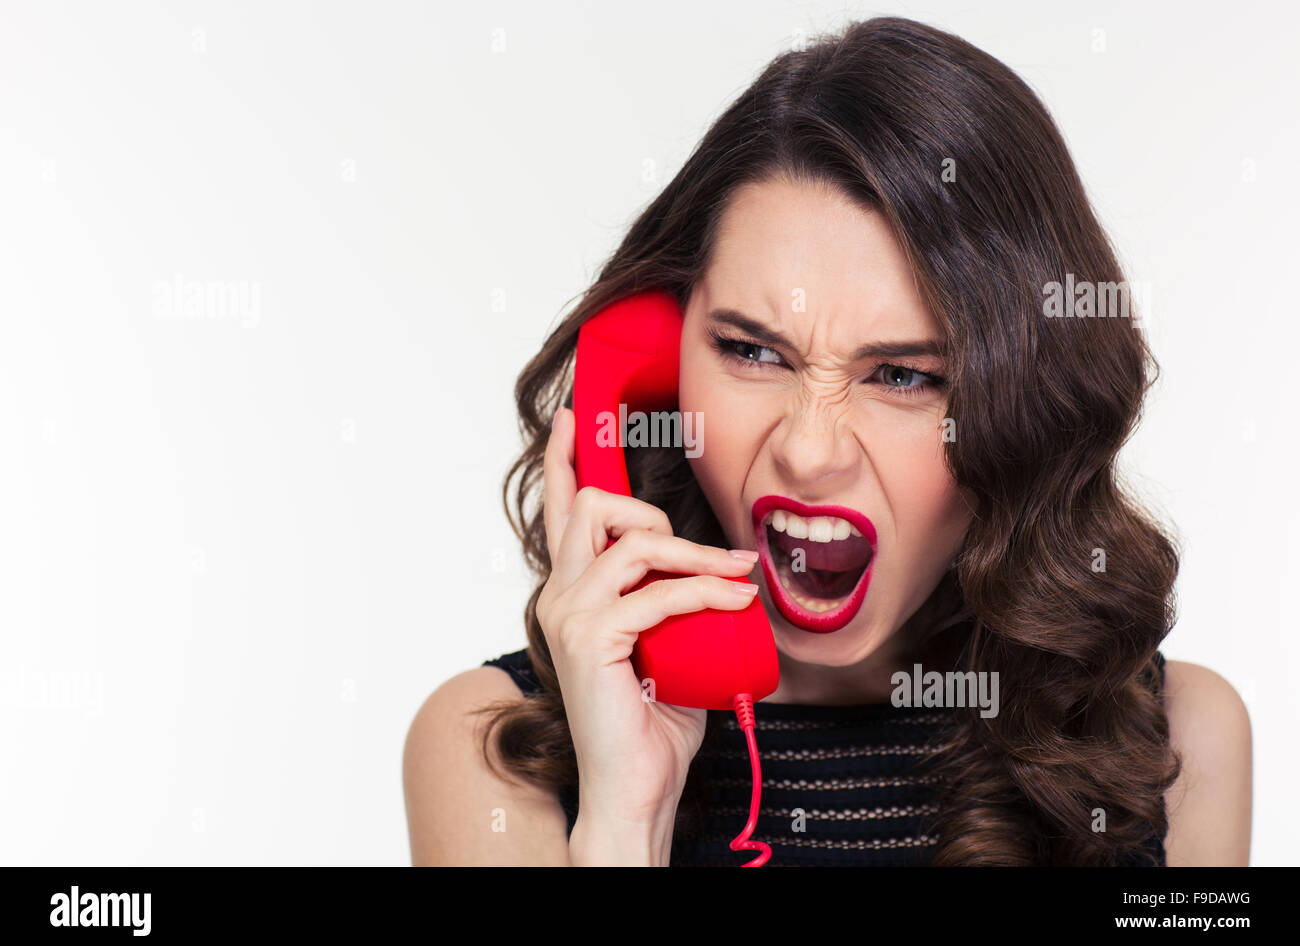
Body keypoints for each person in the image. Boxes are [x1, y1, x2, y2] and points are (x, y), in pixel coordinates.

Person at [403, 16, 1251, 866]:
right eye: (752, 351)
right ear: (661, 358)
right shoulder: (491, 753)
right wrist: (629, 818)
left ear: (1023, 404)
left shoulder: (1180, 745)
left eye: (904, 375)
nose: (809, 454)